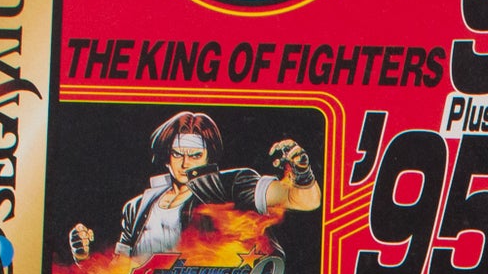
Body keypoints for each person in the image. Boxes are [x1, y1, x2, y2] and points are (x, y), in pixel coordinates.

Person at [68, 110, 320, 262]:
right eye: (178, 154)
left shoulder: (227, 187)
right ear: (166, 156)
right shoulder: (137, 207)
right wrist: (83, 258)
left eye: (195, 155)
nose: (185, 163)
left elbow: (306, 201)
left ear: (209, 157)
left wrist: (302, 171)